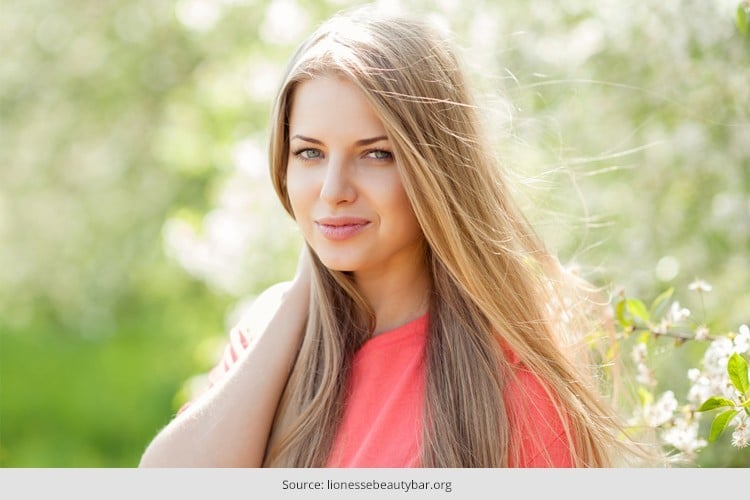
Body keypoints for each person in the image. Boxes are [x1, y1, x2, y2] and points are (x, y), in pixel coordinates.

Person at [139, 5, 658, 468]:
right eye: (310, 153)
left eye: (376, 154)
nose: (333, 190)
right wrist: (302, 292)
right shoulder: (272, 333)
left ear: (436, 169)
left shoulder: (512, 381)